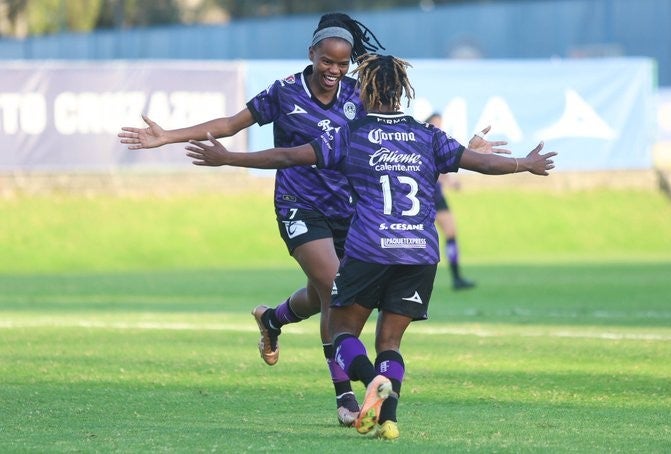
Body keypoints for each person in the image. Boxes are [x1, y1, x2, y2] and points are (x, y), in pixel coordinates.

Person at [183, 53, 557, 439]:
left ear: (366, 89)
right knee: (389, 342)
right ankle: (389, 420)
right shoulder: (427, 135)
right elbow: (479, 163)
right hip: (420, 254)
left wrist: (229, 158)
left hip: (370, 251)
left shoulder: (351, 134)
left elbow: (289, 156)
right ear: (401, 93)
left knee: (343, 332)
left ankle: (367, 385)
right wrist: (525, 164)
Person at [118, 13, 385, 426]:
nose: (334, 70)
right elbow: (229, 124)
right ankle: (345, 397)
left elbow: (385, 139)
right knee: (336, 290)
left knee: (322, 295)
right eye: (327, 61)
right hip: (299, 206)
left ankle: (272, 318)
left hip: (349, 211)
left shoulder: (357, 95)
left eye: (342, 63)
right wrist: (167, 136)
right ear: (312, 53)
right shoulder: (284, 92)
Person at [424, 113, 510, 290]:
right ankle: (415, 275)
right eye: (436, 123)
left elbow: (443, 169)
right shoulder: (426, 139)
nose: (439, 126)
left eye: (441, 123)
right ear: (429, 123)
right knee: (423, 236)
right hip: (426, 194)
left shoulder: (438, 141)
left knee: (450, 232)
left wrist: (450, 182)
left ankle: (456, 277)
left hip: (437, 195)